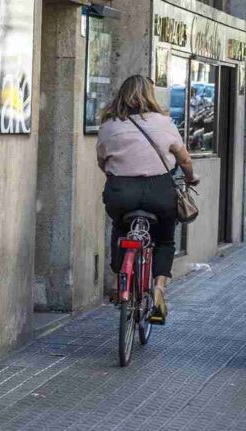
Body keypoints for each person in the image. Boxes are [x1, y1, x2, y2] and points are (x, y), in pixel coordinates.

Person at [96, 75, 200, 324]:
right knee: (164, 238)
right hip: (159, 191)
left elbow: (102, 161)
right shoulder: (164, 123)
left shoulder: (109, 125)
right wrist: (191, 177)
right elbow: (184, 159)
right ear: (150, 95)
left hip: (122, 192)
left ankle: (121, 278)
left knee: (120, 228)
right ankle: (159, 288)